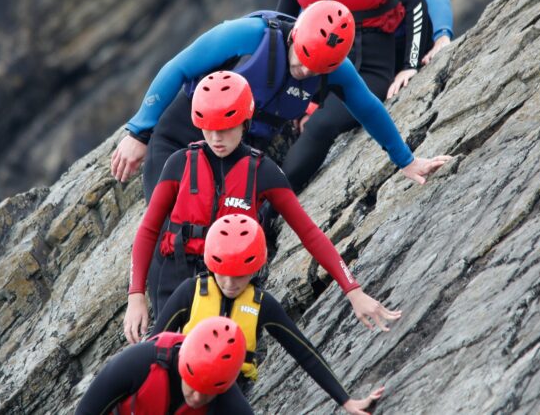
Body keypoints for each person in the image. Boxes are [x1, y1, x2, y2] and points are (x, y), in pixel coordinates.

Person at [123, 71, 401, 344]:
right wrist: (136, 297)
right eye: (209, 128)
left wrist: (353, 290)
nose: (216, 138)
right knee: (167, 364)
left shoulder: (263, 172)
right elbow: (148, 230)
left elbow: (309, 233)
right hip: (174, 277)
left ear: (245, 123)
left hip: (232, 284)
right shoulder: (179, 163)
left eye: (226, 128)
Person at [110, 0, 451, 197]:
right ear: (296, 35)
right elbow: (178, 67)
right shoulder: (251, 35)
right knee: (170, 220)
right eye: (301, 58)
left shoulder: (335, 69)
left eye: (313, 68)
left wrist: (407, 161)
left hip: (239, 149)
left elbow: (369, 110)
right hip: (184, 131)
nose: (303, 70)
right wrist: (139, 132)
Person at [277, 0, 434, 191]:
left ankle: (271, 204)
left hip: (374, 65)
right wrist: (300, 100)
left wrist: (410, 65)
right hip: (320, 67)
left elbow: (415, 3)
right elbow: (282, 33)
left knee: (323, 124)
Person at [151, 215, 387, 415]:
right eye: (223, 273)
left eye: (240, 275)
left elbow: (304, 352)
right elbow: (153, 347)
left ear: (255, 269)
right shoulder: (190, 292)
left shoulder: (262, 304)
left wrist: (347, 401)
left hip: (227, 394)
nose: (230, 283)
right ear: (211, 263)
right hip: (184, 383)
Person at [73, 316, 252, 414]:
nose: (197, 398)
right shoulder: (138, 362)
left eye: (207, 393)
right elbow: (86, 411)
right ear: (182, 362)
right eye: (193, 384)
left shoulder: (232, 404)